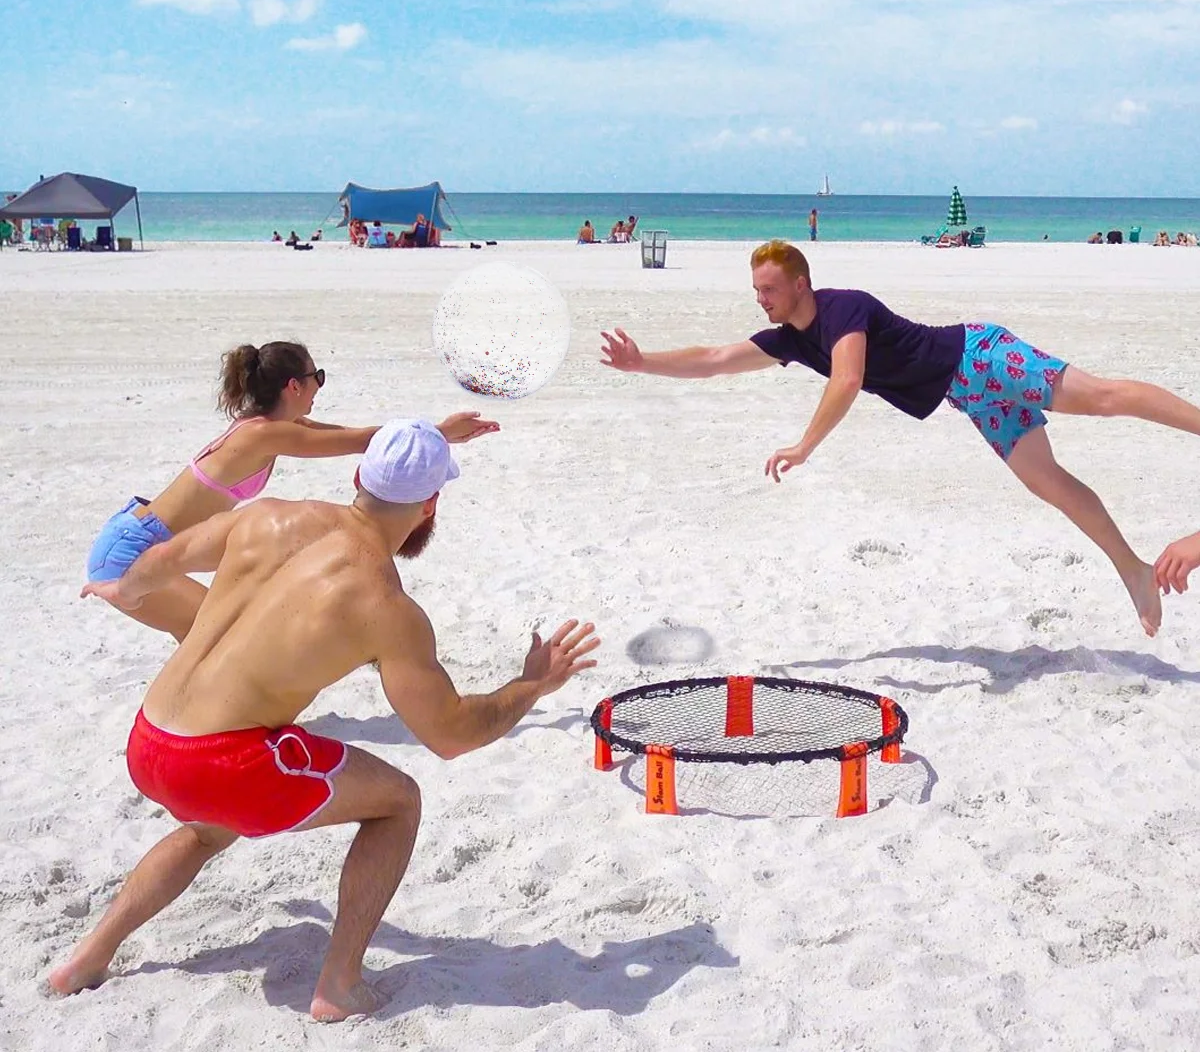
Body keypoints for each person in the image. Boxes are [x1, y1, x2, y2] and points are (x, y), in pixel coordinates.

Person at [55, 418, 600, 1021]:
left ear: (358, 475)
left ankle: (89, 956)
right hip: (223, 765)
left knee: (206, 828)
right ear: (431, 505)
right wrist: (532, 684)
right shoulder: (385, 605)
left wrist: (121, 591)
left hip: (150, 739)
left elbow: (156, 563)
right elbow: (450, 735)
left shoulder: (264, 517)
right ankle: (339, 985)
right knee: (398, 801)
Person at [599, 239, 1200, 638]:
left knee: (1100, 399)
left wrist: (805, 445)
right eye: (758, 291)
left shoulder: (844, 311)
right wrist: (642, 361)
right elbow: (714, 357)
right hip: (968, 395)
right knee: (1052, 484)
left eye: (771, 290)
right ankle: (1135, 570)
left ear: (802, 283)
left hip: (981, 356)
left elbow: (850, 377)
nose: (762, 300)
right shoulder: (790, 338)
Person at [85, 340, 499, 640]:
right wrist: (439, 432)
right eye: (317, 376)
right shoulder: (261, 437)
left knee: (209, 634)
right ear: (293, 386)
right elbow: (358, 442)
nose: (320, 384)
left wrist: (436, 435)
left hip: (144, 539)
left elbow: (354, 434)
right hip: (131, 552)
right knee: (214, 635)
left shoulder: (270, 429)